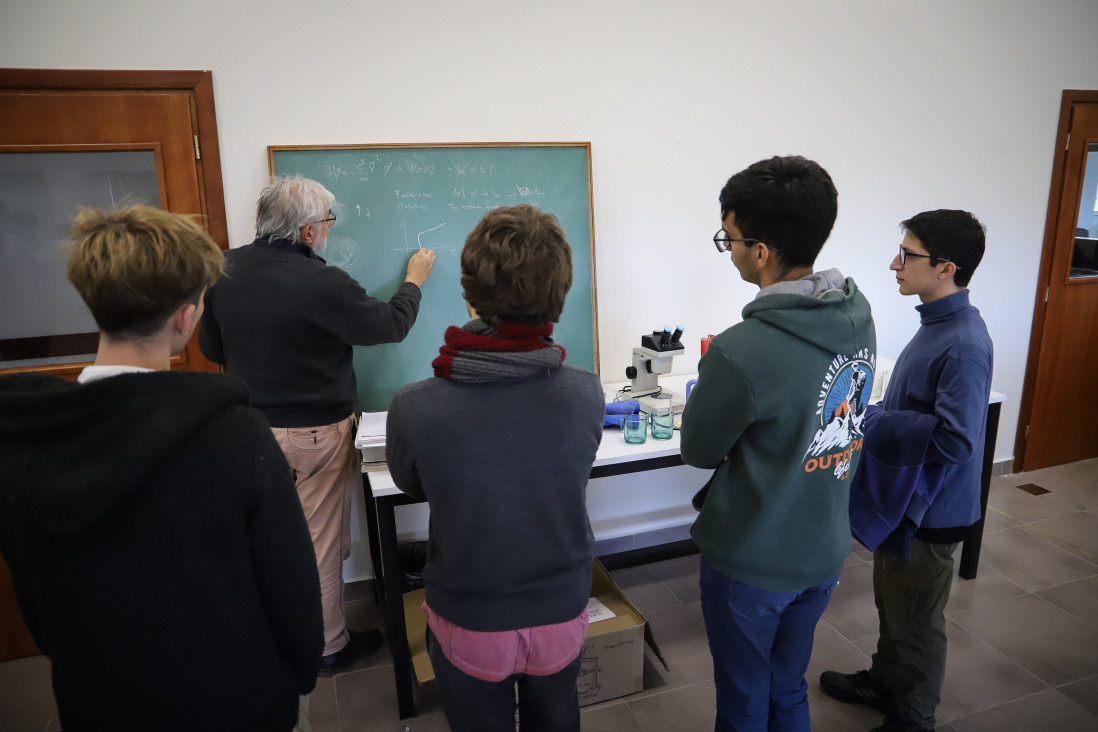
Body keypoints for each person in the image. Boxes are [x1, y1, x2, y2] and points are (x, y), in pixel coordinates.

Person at [0, 205, 323, 731]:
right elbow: (291, 587)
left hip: (99, 703)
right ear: (186, 316)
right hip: (242, 703)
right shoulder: (236, 436)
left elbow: (37, 608)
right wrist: (300, 677)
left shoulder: (22, 442)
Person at [199, 176, 436, 675]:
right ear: (308, 232)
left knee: (275, 538)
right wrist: (415, 279)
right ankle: (328, 646)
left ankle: (278, 631)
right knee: (322, 545)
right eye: (327, 221)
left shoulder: (222, 267)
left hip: (252, 431)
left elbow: (213, 350)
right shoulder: (321, 281)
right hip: (315, 434)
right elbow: (392, 325)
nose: (329, 230)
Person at [385, 204, 604, 732]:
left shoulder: (416, 405)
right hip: (560, 609)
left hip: (471, 617)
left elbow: (410, 483)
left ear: (468, 295)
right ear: (559, 295)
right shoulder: (585, 392)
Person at [680, 155, 877, 731]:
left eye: (731, 239)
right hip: (824, 544)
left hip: (754, 560)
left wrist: (718, 382)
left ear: (760, 251)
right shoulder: (857, 315)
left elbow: (698, 450)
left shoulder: (742, 349)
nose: (731, 250)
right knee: (787, 686)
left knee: (743, 698)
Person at [820, 210, 993, 732]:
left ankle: (915, 715)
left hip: (932, 510)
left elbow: (956, 440)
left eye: (909, 254)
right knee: (893, 602)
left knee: (916, 618)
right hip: (907, 500)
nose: (895, 263)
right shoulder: (937, 324)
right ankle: (885, 681)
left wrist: (874, 420)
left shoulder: (963, 342)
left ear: (946, 268)